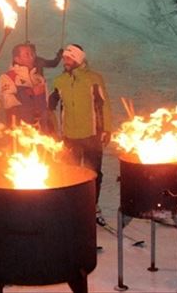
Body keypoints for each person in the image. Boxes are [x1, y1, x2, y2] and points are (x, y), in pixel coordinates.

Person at [48, 44, 112, 225]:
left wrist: (107, 129)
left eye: (68, 58)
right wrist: (51, 100)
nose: (65, 61)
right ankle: (73, 207)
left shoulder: (94, 79)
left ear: (77, 59)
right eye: (64, 58)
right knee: (71, 173)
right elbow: (55, 105)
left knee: (93, 174)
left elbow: (104, 105)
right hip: (70, 135)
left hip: (91, 134)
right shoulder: (60, 81)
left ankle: (92, 206)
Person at [0, 43, 50, 132]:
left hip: (41, 132)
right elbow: (9, 103)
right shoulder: (9, 77)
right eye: (27, 54)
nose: (31, 57)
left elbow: (46, 105)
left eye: (32, 54)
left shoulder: (39, 78)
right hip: (21, 132)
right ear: (17, 59)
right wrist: (31, 92)